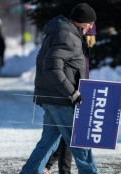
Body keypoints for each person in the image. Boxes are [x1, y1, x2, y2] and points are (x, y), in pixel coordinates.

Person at [20, 3, 97, 174]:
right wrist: (72, 92)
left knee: (47, 143)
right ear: (81, 22)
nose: (91, 27)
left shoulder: (62, 32)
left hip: (53, 98)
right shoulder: (67, 36)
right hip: (61, 100)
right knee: (80, 144)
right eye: (90, 23)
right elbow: (52, 68)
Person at [42, 23, 97, 174]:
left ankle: (45, 166)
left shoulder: (81, 46)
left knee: (65, 137)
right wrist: (72, 91)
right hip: (69, 94)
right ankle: (56, 168)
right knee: (73, 137)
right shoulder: (72, 42)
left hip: (75, 92)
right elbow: (59, 69)